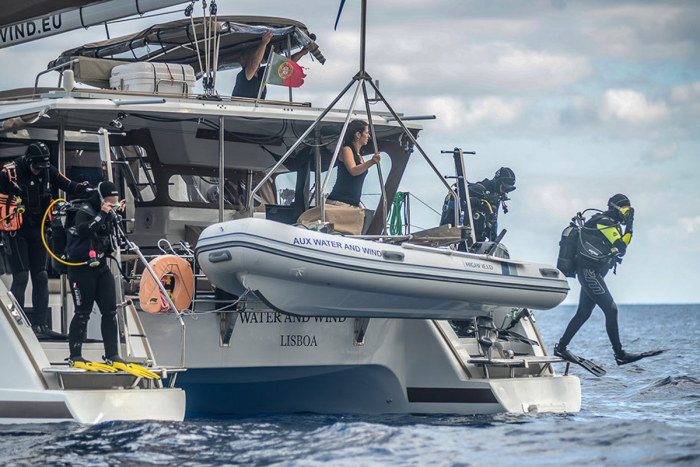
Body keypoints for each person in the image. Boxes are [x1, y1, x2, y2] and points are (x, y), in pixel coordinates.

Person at [64, 181, 158, 378]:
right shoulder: (84, 211)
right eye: (109, 203)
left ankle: (112, 355)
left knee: (110, 311)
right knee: (83, 312)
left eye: (115, 204)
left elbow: (110, 237)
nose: (112, 207)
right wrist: (103, 214)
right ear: (100, 199)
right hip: (81, 268)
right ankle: (75, 355)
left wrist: (114, 215)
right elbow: (85, 231)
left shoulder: (107, 213)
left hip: (101, 266)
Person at [0, 142, 88, 339]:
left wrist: (87, 190)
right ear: (29, 162)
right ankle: (16, 326)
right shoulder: (9, 173)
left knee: (40, 277)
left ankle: (40, 326)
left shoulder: (47, 171)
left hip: (38, 230)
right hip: (16, 232)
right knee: (21, 277)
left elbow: (69, 185)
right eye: (36, 167)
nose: (39, 172)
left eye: (43, 168)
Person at [554, 194, 647, 365]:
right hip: (589, 273)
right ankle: (619, 353)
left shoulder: (611, 225)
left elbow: (618, 248)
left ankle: (561, 347)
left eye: (629, 212)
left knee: (583, 313)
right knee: (611, 310)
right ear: (616, 209)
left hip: (592, 273)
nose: (627, 216)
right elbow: (622, 247)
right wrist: (631, 227)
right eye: (625, 212)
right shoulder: (604, 223)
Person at [298, 120, 380, 235]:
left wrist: (357, 203)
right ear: (358, 135)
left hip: (351, 205)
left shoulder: (359, 155)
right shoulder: (347, 150)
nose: (368, 136)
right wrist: (371, 162)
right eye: (366, 132)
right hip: (339, 203)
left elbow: (354, 182)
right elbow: (353, 171)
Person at [440, 167, 516, 242]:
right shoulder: (478, 189)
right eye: (504, 188)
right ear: (499, 182)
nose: (505, 192)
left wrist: (493, 240)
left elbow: (494, 220)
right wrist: (470, 202)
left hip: (478, 241)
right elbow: (453, 201)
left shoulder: (495, 198)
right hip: (462, 237)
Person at [232, 30, 309, 99]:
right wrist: (263, 43)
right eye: (255, 56)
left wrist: (302, 52)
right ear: (244, 62)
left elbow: (285, 66)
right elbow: (254, 64)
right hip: (241, 110)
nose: (259, 58)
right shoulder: (242, 76)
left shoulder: (261, 73)